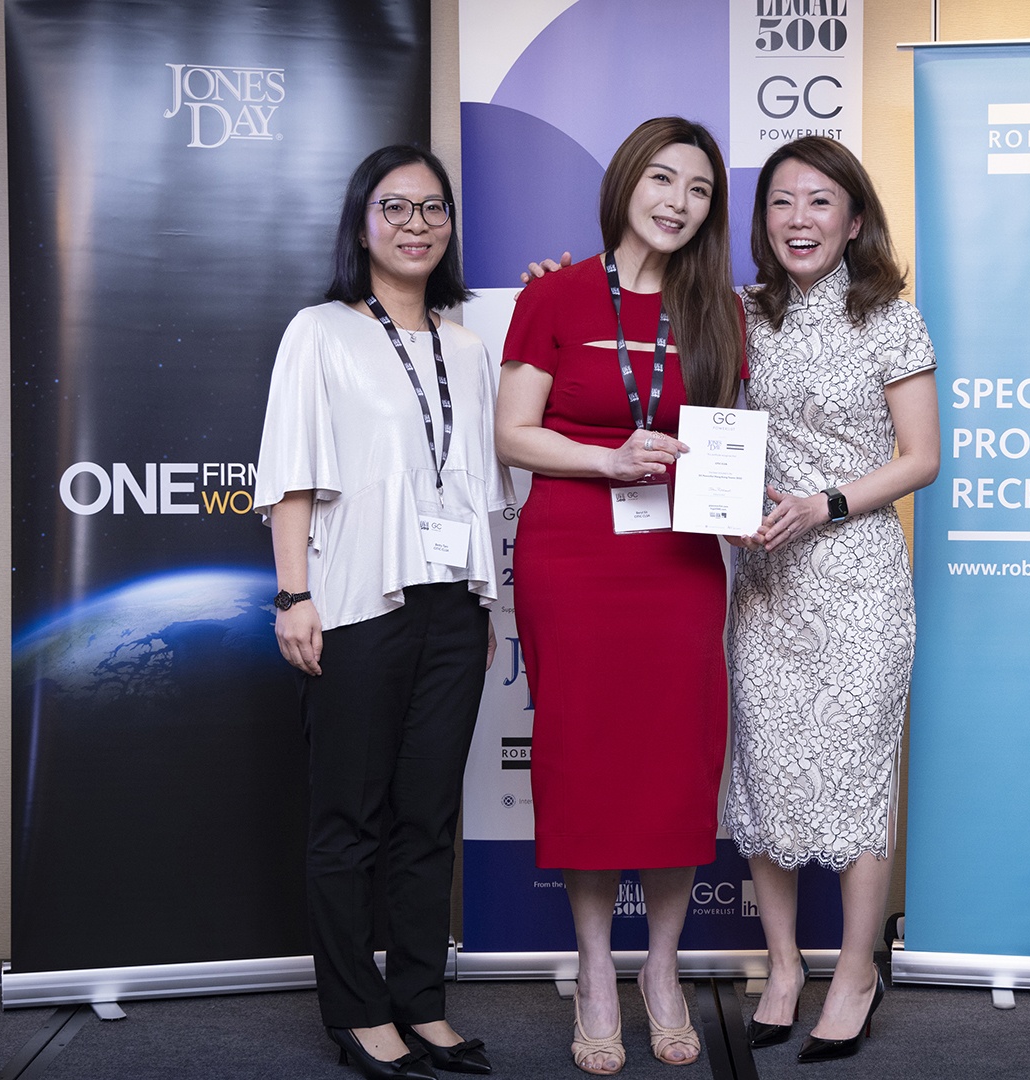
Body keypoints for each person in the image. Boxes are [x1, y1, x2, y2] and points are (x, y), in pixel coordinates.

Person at [255, 145, 511, 1080]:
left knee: (428, 817)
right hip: (358, 601)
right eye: (394, 207)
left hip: (454, 606)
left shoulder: (467, 346)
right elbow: (292, 474)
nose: (416, 225)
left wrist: (483, 601)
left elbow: (478, 481)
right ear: (362, 223)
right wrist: (294, 594)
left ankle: (420, 1003)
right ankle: (357, 1015)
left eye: (433, 208)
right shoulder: (320, 331)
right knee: (349, 819)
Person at [495, 116, 744, 1075]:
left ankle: (662, 969)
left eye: (699, 189)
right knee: (588, 758)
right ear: (626, 184)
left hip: (676, 562)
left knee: (675, 758)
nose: (679, 202)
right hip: (572, 556)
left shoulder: (719, 311)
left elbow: (724, 442)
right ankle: (596, 970)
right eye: (662, 179)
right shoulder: (553, 293)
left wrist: (742, 504)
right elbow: (512, 432)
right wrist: (607, 459)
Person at [727, 136, 940, 1064]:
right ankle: (782, 968)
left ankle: (854, 971)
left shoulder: (889, 316)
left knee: (855, 777)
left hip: (856, 581)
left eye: (820, 201)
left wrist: (827, 504)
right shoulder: (738, 314)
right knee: (764, 770)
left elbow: (921, 457)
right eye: (781, 201)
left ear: (854, 220)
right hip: (765, 582)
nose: (799, 219)